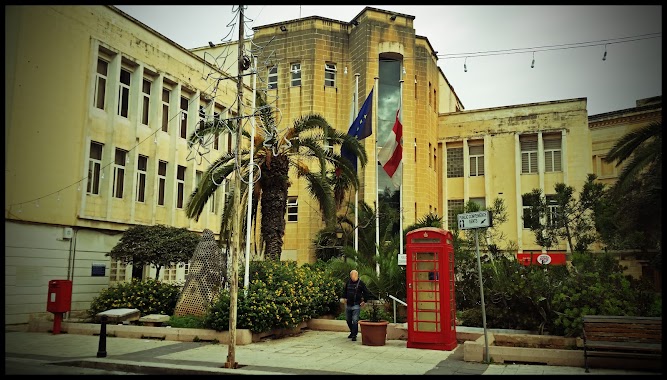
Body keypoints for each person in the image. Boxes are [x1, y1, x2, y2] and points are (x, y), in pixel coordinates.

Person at [342, 269, 375, 341]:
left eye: (354, 276)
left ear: (357, 276)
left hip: (356, 304)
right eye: (351, 276)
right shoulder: (348, 282)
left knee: (355, 320)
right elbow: (345, 291)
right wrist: (344, 298)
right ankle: (352, 331)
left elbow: (366, 292)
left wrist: (364, 301)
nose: (352, 277)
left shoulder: (361, 283)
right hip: (348, 304)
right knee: (348, 320)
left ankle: (354, 335)